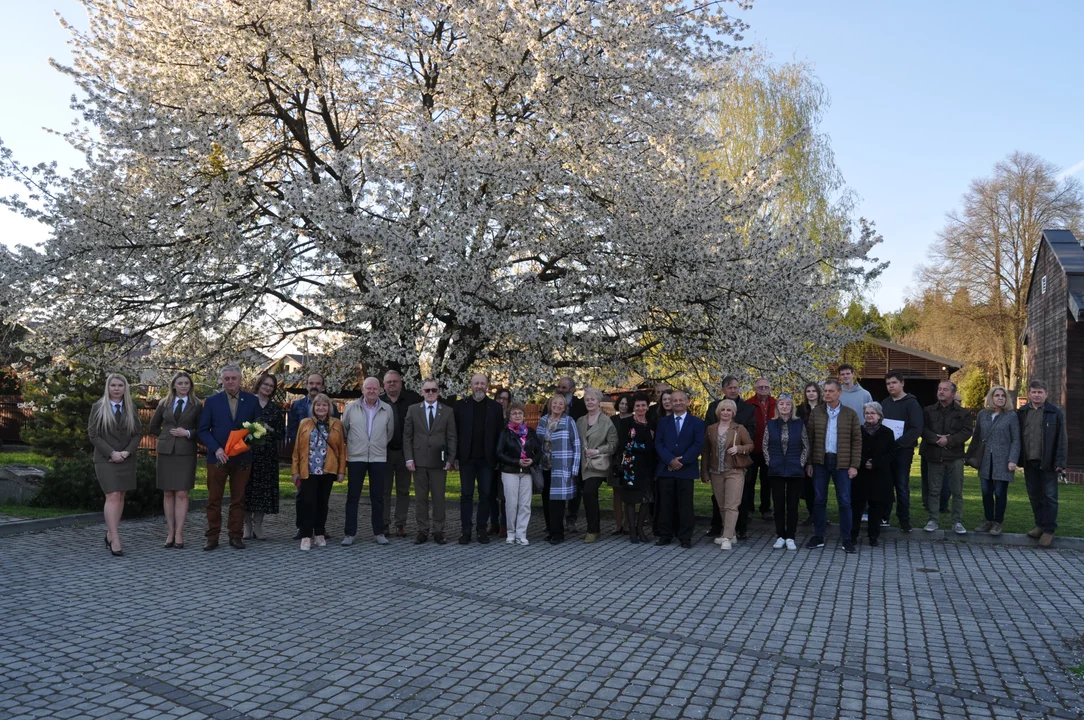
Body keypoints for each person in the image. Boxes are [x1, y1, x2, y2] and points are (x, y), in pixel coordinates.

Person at [198, 365, 262, 551]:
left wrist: (247, 443)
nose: (230, 381)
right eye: (226, 378)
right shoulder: (212, 401)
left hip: (242, 458)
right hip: (218, 457)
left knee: (238, 499)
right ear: (222, 380)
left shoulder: (251, 400)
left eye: (234, 378)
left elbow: (258, 427)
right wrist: (216, 449)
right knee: (214, 499)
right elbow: (203, 429)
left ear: (240, 379)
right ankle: (212, 537)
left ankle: (235, 536)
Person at [804, 379, 862, 553]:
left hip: (842, 462)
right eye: (826, 391)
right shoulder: (817, 413)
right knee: (819, 499)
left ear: (839, 393)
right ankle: (819, 536)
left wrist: (854, 465)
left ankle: (847, 538)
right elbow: (810, 439)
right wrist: (809, 462)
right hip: (820, 462)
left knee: (844, 501)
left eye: (831, 391)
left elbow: (857, 441)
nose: (827, 393)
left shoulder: (850, 414)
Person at [89, 373, 142, 557]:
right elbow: (94, 435)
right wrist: (112, 453)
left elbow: (137, 433)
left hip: (127, 458)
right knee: (112, 495)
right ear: (108, 387)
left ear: (125, 388)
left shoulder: (131, 408)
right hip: (105, 459)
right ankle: (115, 537)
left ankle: (111, 533)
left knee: (120, 496)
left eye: (120, 385)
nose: (117, 388)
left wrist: (126, 452)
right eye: (113, 385)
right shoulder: (98, 407)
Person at [148, 371, 201, 550]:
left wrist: (187, 433)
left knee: (182, 493)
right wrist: (165, 436)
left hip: (186, 453)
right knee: (168, 492)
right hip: (166, 453)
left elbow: (202, 429)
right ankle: (170, 532)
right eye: (180, 383)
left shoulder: (197, 405)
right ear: (174, 385)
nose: (184, 386)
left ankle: (180, 532)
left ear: (190, 386)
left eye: (187, 383)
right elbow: (153, 426)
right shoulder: (164, 403)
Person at [341, 377, 395, 546]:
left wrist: (377, 446)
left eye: (375, 388)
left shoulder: (387, 409)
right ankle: (349, 533)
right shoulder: (351, 407)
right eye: (368, 388)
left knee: (378, 497)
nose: (372, 391)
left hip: (378, 458)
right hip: (357, 457)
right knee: (353, 497)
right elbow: (344, 431)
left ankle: (379, 532)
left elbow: (389, 433)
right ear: (363, 390)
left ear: (380, 390)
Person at [403, 379, 457, 545]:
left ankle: (439, 530)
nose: (431, 393)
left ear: (438, 392)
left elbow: (451, 437)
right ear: (422, 392)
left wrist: (450, 458)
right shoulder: (413, 410)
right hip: (418, 462)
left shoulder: (447, 411)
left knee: (439, 498)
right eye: (427, 390)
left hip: (438, 462)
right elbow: (407, 436)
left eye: (434, 390)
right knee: (421, 499)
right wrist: (409, 458)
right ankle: (422, 530)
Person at [286, 373, 339, 540]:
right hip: (305, 460)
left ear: (323, 386)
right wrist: (303, 446)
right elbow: (292, 430)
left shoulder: (331, 406)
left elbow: (335, 432)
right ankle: (303, 528)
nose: (314, 386)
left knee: (322, 497)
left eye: (318, 383)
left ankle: (319, 529)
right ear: (306, 385)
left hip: (325, 460)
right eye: (311, 383)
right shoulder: (297, 406)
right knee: (304, 497)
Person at [291, 394, 346, 550]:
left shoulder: (336, 424)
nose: (321, 408)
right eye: (318, 405)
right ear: (313, 407)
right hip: (308, 469)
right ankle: (306, 535)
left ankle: (320, 533)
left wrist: (341, 470)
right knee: (308, 503)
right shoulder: (305, 423)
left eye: (324, 405)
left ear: (329, 408)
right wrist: (295, 470)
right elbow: (297, 449)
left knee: (322, 503)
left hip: (327, 469)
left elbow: (342, 448)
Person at [454, 373, 504, 544]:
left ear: (487, 385)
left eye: (482, 383)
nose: (479, 386)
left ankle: (482, 530)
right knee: (466, 495)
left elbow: (499, 435)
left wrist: (498, 458)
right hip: (467, 459)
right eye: (476, 383)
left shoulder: (495, 408)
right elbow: (455, 434)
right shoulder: (460, 406)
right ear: (471, 385)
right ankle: (466, 530)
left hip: (487, 460)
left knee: (486, 495)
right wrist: (454, 457)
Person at [1017, 380, 1068, 548]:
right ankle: (1039, 525)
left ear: (1046, 394)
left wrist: (1060, 462)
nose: (1036, 395)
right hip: (1029, 461)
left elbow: (1062, 439)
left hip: (1048, 463)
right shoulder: (1022, 412)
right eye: (1033, 392)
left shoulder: (1055, 413)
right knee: (1034, 496)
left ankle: (1049, 530)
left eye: (1040, 392)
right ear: (1029, 394)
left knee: (1050, 497)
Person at [704, 377, 756, 539]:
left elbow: (751, 435)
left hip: (736, 464)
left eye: (735, 387)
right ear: (723, 390)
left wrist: (739, 447)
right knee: (720, 501)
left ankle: (738, 530)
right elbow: (706, 444)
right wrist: (704, 470)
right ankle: (724, 530)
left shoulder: (747, 409)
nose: (733, 390)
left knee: (738, 499)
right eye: (729, 387)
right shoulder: (713, 409)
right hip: (717, 466)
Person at [654, 390, 705, 549]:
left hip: (686, 469)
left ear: (687, 402)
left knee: (685, 505)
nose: (677, 403)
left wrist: (682, 461)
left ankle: (685, 537)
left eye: (680, 400)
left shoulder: (697, 422)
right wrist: (670, 460)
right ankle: (665, 535)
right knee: (666, 504)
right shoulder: (663, 422)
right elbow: (658, 443)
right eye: (674, 400)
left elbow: (698, 444)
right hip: (666, 469)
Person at [920, 380, 972, 535]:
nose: (941, 392)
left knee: (957, 491)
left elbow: (966, 431)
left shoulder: (963, 413)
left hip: (955, 457)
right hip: (934, 455)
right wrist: (937, 439)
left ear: (953, 393)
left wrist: (948, 440)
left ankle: (956, 522)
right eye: (939, 389)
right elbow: (922, 428)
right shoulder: (928, 411)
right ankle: (933, 520)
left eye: (945, 390)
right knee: (934, 490)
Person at [971, 386, 1020, 536]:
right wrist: (969, 456)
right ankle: (988, 520)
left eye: (1003, 396)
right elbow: (976, 436)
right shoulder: (983, 414)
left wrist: (1012, 459)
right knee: (986, 492)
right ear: (991, 398)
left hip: (1003, 459)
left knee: (1000, 492)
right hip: (985, 459)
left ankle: (998, 523)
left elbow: (1016, 440)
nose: (1000, 398)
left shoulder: (1011, 416)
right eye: (997, 395)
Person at [380, 369, 422, 537]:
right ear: (384, 385)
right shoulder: (379, 401)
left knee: (403, 490)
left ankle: (400, 523)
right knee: (384, 490)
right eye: (389, 382)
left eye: (395, 381)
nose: (392, 384)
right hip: (384, 452)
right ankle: (383, 523)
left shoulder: (412, 400)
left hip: (405, 452)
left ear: (401, 383)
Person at [880, 371, 923, 532]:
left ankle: (904, 519)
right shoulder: (885, 403)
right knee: (885, 485)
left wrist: (898, 443)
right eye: (888, 384)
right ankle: (884, 516)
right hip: (886, 452)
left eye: (893, 383)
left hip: (903, 451)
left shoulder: (911, 403)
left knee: (901, 485)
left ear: (902, 383)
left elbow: (916, 428)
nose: (891, 386)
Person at [763, 394, 808, 550]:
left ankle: (791, 536)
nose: (784, 407)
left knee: (793, 505)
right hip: (776, 469)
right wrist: (771, 462)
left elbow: (805, 446)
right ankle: (780, 535)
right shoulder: (771, 424)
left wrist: (800, 463)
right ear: (777, 407)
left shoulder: (799, 423)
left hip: (794, 469)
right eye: (781, 404)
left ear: (792, 407)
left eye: (787, 404)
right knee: (778, 504)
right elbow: (765, 446)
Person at [242, 373, 284, 541]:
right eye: (265, 384)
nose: (267, 388)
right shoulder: (246, 403)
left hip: (267, 456)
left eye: (271, 386)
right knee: (246, 489)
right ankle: (247, 525)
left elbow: (281, 433)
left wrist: (269, 429)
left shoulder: (274, 408)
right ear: (259, 384)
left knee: (262, 491)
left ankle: (258, 525)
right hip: (247, 452)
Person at [535, 394, 581, 544]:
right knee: (546, 500)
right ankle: (550, 530)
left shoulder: (569, 421)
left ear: (564, 407)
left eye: (561, 404)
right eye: (555, 403)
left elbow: (576, 445)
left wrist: (574, 468)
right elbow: (537, 444)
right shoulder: (543, 421)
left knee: (557, 502)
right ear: (550, 404)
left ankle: (558, 533)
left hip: (561, 467)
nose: (558, 406)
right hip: (545, 466)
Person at [496, 401, 543, 545]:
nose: (517, 415)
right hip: (510, 471)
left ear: (524, 415)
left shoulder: (531, 432)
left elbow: (539, 452)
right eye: (514, 413)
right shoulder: (505, 433)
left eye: (520, 413)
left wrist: (532, 461)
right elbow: (499, 453)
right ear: (509, 416)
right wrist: (516, 461)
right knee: (511, 503)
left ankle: (521, 533)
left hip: (527, 472)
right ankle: (511, 532)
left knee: (525, 504)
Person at [850, 402, 897, 547]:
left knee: (876, 507)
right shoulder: (858, 431)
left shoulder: (887, 432)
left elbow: (891, 453)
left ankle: (873, 536)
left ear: (879, 415)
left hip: (880, 474)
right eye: (867, 413)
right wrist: (864, 462)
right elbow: (854, 449)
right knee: (856, 506)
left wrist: (875, 462)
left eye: (872, 413)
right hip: (861, 473)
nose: (869, 415)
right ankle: (853, 535)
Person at [576, 387, 618, 544]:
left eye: (592, 399)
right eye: (587, 399)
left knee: (589, 493)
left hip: (598, 465)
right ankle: (593, 528)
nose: (589, 402)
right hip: (582, 464)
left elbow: (613, 444)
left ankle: (593, 530)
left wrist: (598, 450)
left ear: (599, 402)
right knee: (587, 496)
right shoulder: (580, 421)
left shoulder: (606, 422)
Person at [617, 393, 656, 544]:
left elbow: (653, 445)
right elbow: (624, 444)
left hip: (647, 466)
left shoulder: (652, 423)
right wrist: (644, 448)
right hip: (630, 466)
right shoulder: (626, 422)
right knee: (631, 500)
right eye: (637, 405)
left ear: (647, 406)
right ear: (633, 407)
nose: (640, 408)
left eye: (643, 405)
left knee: (646, 498)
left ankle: (640, 529)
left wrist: (643, 448)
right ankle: (632, 531)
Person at [557, 377, 587, 532]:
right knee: (556, 487)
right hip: (556, 453)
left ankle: (571, 518)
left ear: (572, 389)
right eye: (559, 387)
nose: (561, 390)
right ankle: (556, 519)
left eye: (564, 387)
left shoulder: (581, 406)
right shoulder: (551, 404)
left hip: (575, 452)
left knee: (576, 487)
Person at [747, 378, 777, 520]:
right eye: (760, 387)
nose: (764, 389)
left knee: (767, 481)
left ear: (770, 388)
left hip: (769, 450)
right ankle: (749, 508)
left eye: (766, 386)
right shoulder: (748, 404)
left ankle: (765, 509)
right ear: (755, 388)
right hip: (752, 449)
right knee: (750, 480)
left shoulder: (775, 403)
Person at [796, 381, 822, 524]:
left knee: (819, 485)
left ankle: (820, 515)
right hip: (804, 451)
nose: (811, 393)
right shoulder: (800, 409)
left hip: (820, 450)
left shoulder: (824, 408)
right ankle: (812, 513)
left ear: (818, 392)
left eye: (814, 391)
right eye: (808, 391)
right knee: (807, 486)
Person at [609, 393, 633, 534]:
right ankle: (618, 524)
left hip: (629, 459)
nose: (623, 406)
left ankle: (628, 524)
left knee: (628, 493)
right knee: (616, 493)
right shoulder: (612, 420)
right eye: (621, 403)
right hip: (615, 459)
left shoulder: (634, 419)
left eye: (626, 404)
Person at [491, 386, 514, 537]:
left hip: (506, 461)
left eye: (505, 399)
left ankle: (505, 524)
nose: (501, 401)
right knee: (491, 493)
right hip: (491, 459)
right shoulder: (491, 415)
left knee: (505, 494)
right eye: (499, 398)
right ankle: (494, 523)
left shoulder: (511, 419)